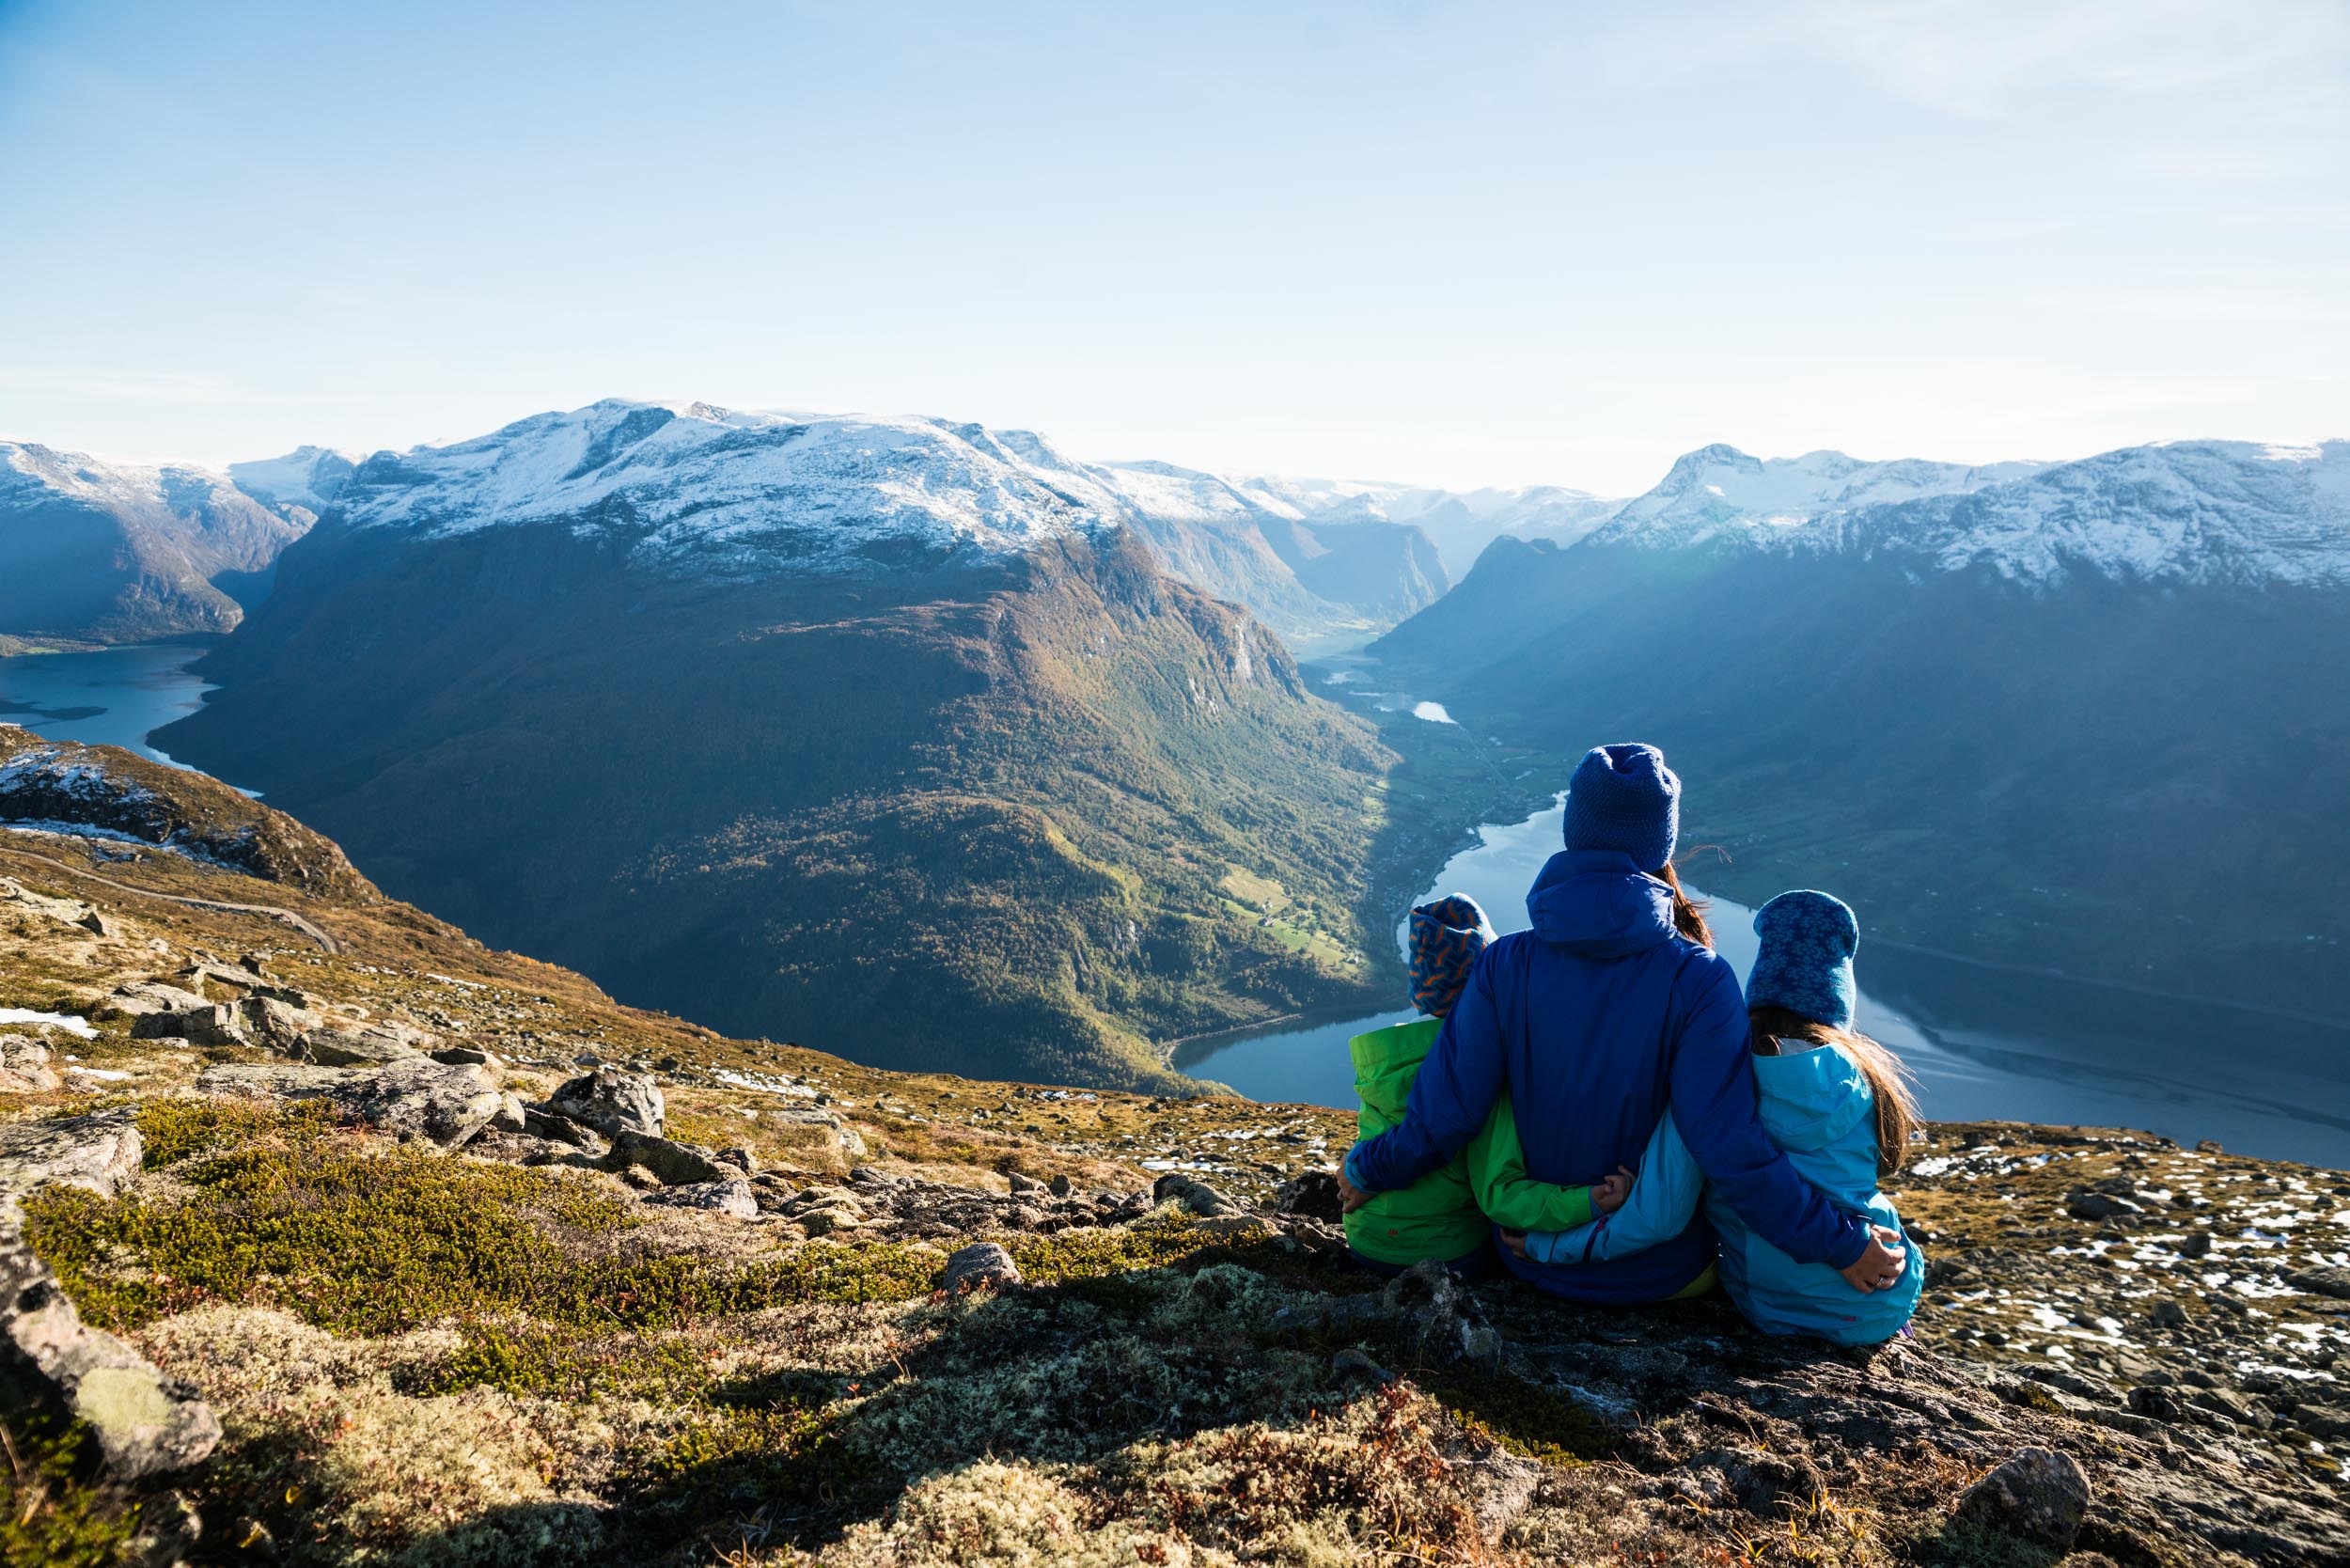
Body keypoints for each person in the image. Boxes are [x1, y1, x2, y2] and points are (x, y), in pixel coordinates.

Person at [1340, 744, 1907, 1304]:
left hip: (1526, 1256)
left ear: (1574, 830)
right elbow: (1725, 1144)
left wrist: (1368, 1169)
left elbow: (1449, 1114)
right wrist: (1839, 1245)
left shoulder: (1505, 964)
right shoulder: (1699, 978)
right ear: (1663, 842)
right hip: (1661, 1276)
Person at [1504, 890, 1923, 1344]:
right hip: (1883, 1292)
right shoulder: (1866, 1077)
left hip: (1773, 1307)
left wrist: (1547, 1247)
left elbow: (1657, 1216)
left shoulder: (1712, 1078)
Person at [1345, 894, 1630, 1278]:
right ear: (1487, 986)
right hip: (1439, 1251)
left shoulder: (1385, 1058)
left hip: (1366, 1236)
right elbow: (1501, 1196)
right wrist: (1590, 1202)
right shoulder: (1482, 1070)